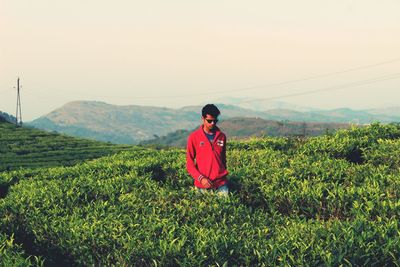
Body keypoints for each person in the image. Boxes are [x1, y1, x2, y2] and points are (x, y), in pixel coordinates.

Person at [186, 104, 229, 196]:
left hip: (221, 185)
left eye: (215, 121)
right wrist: (201, 178)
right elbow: (189, 164)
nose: (212, 123)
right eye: (209, 121)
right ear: (203, 118)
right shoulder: (194, 137)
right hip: (202, 186)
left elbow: (223, 160)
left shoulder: (222, 136)